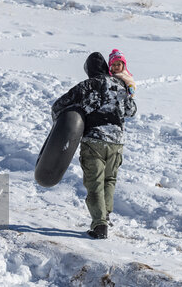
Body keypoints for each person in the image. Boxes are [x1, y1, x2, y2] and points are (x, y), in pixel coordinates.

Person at [51, 50, 137, 239]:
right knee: (109, 180)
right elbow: (131, 111)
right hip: (116, 143)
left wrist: (59, 126)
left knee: (95, 183)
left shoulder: (90, 84)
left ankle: (99, 226)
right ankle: (105, 216)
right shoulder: (121, 85)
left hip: (94, 140)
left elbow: (60, 104)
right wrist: (128, 91)